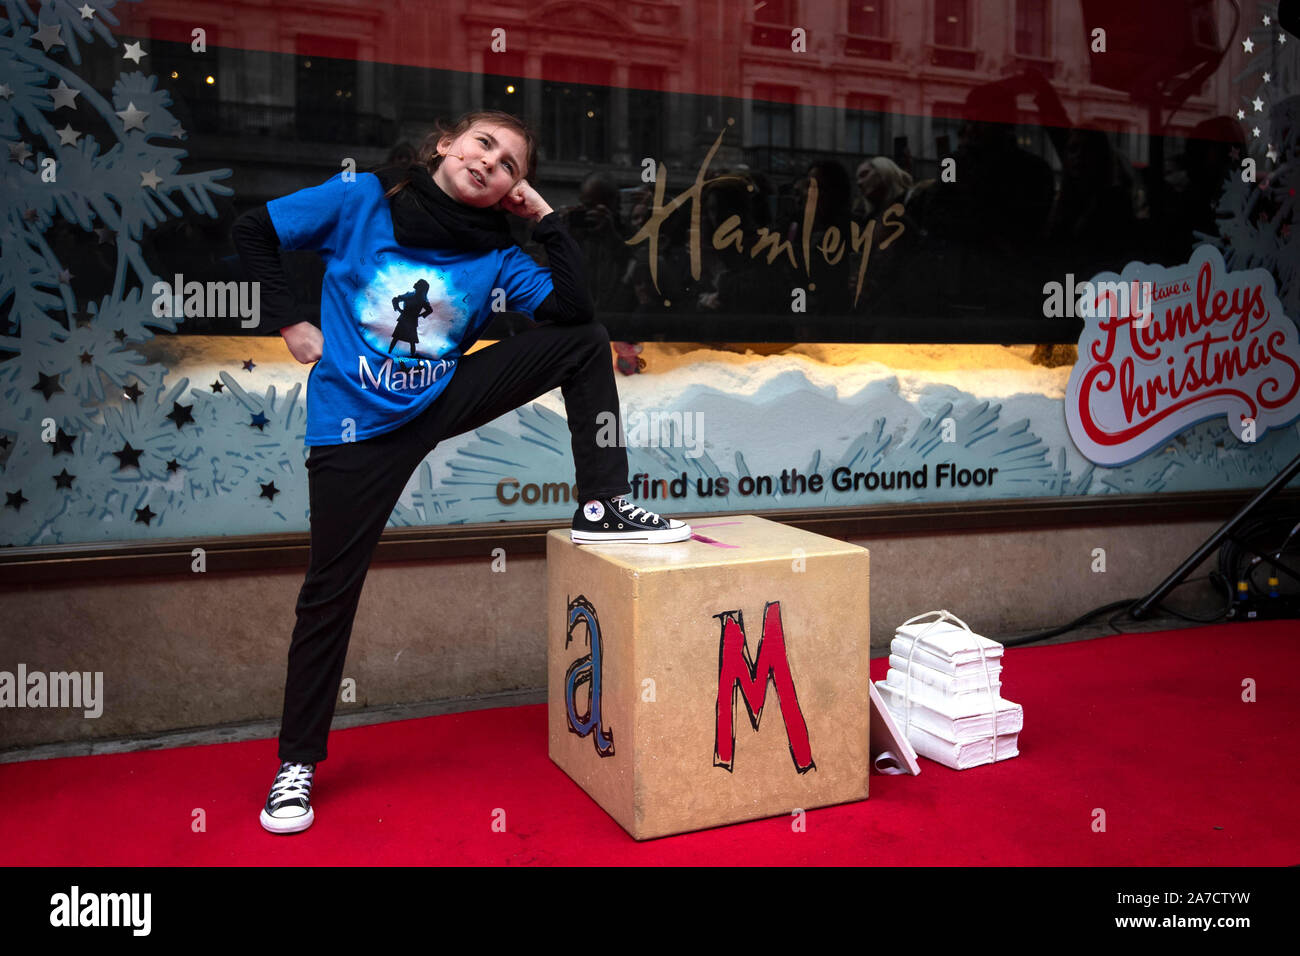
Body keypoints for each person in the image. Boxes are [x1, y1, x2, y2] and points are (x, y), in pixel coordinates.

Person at [231, 109, 691, 836]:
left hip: (438, 400)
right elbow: (252, 231)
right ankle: (296, 765)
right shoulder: (362, 201)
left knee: (586, 342)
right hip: (355, 429)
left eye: (510, 164)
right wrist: (289, 319)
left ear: (513, 187)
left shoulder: (500, 257)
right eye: (484, 144)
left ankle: (602, 503)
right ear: (446, 145)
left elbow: (573, 310)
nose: (491, 163)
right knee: (329, 593)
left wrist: (544, 217)